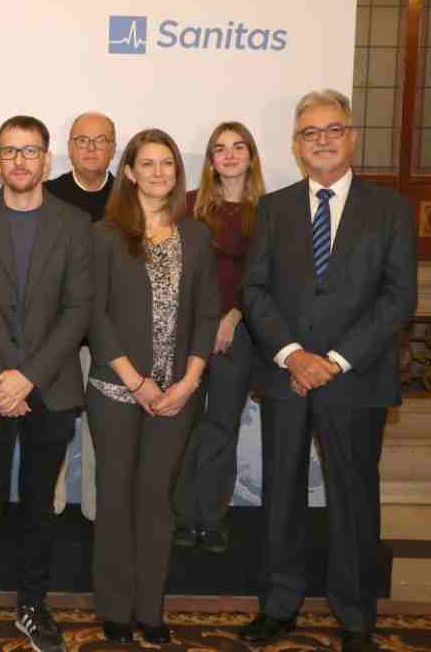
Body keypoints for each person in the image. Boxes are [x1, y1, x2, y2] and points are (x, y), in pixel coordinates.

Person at [240, 90, 417, 652]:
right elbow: (256, 291)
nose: (321, 140)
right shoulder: (273, 209)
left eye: (332, 130)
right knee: (282, 496)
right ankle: (278, 604)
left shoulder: (390, 209)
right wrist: (293, 354)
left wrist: (333, 361)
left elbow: (398, 298)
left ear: (351, 137)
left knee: (353, 497)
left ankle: (354, 612)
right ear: (296, 144)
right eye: (310, 132)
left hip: (355, 379)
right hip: (286, 376)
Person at [0, 116, 92, 652]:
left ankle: (33, 606)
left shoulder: (75, 224)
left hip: (50, 389)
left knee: (38, 507)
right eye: (9, 152)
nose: (20, 162)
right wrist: (0, 381)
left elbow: (78, 309)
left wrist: (28, 378)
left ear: (47, 159)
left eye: (30, 152)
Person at [85, 128, 220, 645]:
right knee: (116, 499)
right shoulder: (104, 234)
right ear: (130, 172)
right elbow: (94, 316)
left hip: (177, 394)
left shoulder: (197, 235)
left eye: (168, 163)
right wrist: (135, 380)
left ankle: (151, 610)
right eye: (149, 163)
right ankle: (116, 609)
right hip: (117, 391)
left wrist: (189, 380)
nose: (160, 172)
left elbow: (208, 312)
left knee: (156, 501)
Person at [171, 122, 267, 554]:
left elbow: (271, 277)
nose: (229, 155)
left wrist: (232, 316)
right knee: (182, 424)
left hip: (239, 333)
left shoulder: (270, 210)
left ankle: (209, 518)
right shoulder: (189, 207)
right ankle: (180, 516)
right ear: (210, 160)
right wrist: (204, 320)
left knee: (221, 426)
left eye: (238, 147)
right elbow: (177, 272)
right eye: (220, 149)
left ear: (250, 156)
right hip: (189, 331)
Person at [45, 111, 118, 520]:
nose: (91, 148)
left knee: (102, 429)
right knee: (54, 424)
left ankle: (96, 509)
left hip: (111, 335)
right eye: (82, 140)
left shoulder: (130, 195)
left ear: (113, 148)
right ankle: (49, 504)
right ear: (69, 147)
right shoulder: (49, 193)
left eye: (101, 140)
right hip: (57, 334)